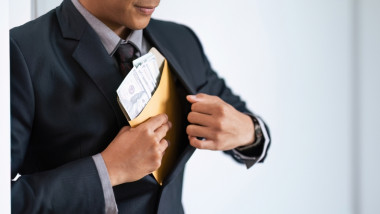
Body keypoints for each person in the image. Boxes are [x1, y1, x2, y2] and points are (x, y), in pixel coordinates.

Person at [10, 0, 271, 213]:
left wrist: (250, 131)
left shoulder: (181, 40)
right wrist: (107, 170)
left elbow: (245, 124)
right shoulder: (19, 52)